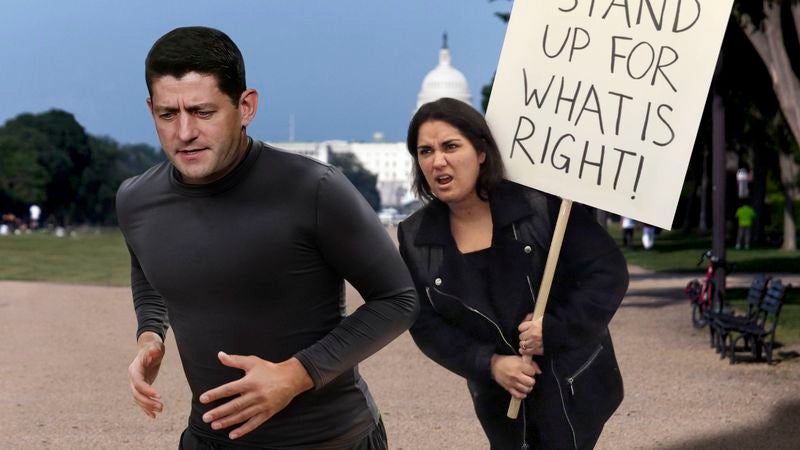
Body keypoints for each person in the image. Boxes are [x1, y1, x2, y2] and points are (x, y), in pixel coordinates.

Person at [116, 27, 418, 449]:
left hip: (330, 440)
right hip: (208, 440)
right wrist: (150, 335)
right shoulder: (136, 199)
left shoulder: (315, 189)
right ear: (151, 109)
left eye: (203, 112)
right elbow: (148, 273)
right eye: (168, 114)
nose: (184, 132)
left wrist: (296, 375)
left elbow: (398, 299)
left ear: (246, 107)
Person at [397, 98, 628, 449]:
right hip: (500, 401)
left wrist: (553, 329)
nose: (437, 161)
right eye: (425, 151)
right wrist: (490, 364)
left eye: (450, 146)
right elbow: (426, 325)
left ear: (481, 152)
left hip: (572, 388)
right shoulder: (416, 238)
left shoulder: (539, 206)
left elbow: (607, 272)